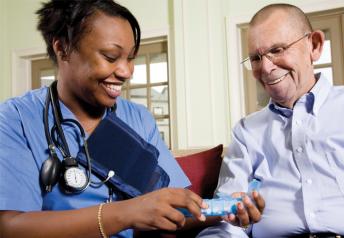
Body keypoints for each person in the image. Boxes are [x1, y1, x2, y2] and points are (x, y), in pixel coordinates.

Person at [0, 1, 209, 237]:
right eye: (111, 57)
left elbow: (176, 207)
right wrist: (126, 213)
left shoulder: (138, 118)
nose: (126, 72)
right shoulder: (16, 119)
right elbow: (10, 227)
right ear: (62, 49)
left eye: (130, 58)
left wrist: (224, 209)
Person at [197, 3, 344, 238]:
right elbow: (228, 220)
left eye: (278, 49)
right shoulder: (246, 131)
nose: (266, 67)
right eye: (255, 58)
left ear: (314, 46)